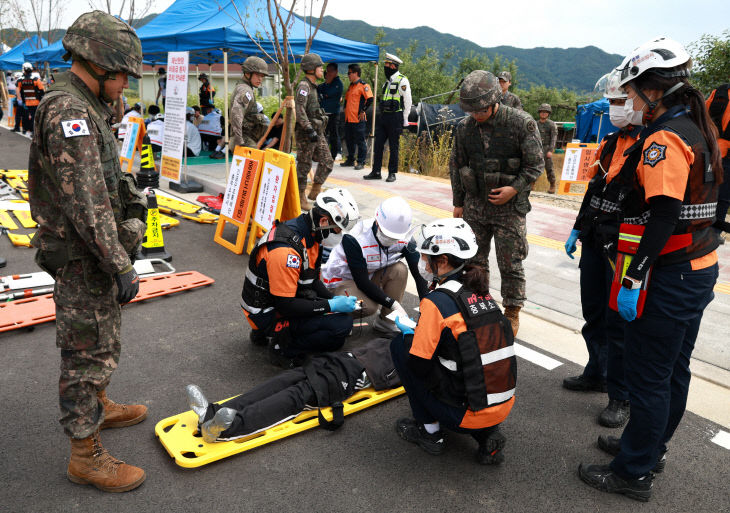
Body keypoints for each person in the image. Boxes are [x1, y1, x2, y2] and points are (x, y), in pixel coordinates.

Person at [578, 37, 722, 502]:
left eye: (632, 93)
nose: (629, 102)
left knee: (650, 376)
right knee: (673, 371)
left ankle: (633, 472)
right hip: (698, 268)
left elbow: (662, 214)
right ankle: (648, 447)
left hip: (671, 274)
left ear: (652, 90)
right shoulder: (697, 129)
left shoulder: (664, 139)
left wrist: (636, 273)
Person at [28, 10, 150, 493]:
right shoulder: (69, 114)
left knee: (100, 340)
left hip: (90, 253)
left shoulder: (85, 105)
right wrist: (120, 262)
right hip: (83, 255)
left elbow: (103, 179)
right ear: (100, 64)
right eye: (123, 74)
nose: (125, 84)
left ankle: (100, 401)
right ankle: (84, 453)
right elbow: (87, 202)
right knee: (84, 351)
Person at [390, 218, 516, 463]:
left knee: (400, 347)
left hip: (462, 413)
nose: (422, 262)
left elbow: (418, 365)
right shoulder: (482, 292)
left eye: (426, 257)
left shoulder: (437, 302)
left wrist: (412, 336)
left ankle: (430, 434)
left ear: (443, 261)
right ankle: (487, 435)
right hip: (502, 405)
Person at [563, 69, 642, 429]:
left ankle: (620, 395)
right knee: (593, 313)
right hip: (596, 239)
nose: (613, 109)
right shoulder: (611, 142)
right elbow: (595, 190)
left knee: (619, 324)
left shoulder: (653, 142)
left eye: (617, 102)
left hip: (625, 246)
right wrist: (577, 228)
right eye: (609, 103)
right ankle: (597, 371)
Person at [450, 70, 544, 336]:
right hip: (475, 206)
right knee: (473, 262)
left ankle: (511, 313)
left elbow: (535, 165)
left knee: (510, 263)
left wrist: (513, 189)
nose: (475, 115)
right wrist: (458, 202)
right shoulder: (465, 128)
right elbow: (456, 165)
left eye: (480, 109)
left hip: (509, 210)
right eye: (471, 110)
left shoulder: (521, 123)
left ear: (493, 101)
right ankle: (480, 306)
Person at [184, 337, 401, 441]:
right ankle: (211, 413)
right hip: (339, 362)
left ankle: (226, 429)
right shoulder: (401, 336)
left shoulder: (415, 361)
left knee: (299, 394)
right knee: (284, 380)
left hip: (351, 376)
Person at [241, 188, 361, 368]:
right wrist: (331, 306)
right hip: (267, 312)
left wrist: (332, 299)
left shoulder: (309, 235)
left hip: (272, 301)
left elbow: (310, 280)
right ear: (323, 220)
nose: (339, 235)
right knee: (341, 326)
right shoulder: (286, 251)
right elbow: (287, 305)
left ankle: (268, 332)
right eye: (337, 230)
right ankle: (282, 347)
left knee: (337, 315)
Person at [322, 196, 429, 335]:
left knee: (399, 270)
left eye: (395, 237)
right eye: (387, 234)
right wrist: (393, 304)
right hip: (341, 281)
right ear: (377, 222)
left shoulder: (405, 237)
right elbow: (362, 282)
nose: (391, 240)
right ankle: (338, 315)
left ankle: (386, 322)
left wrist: (426, 307)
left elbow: (418, 274)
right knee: (368, 306)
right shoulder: (356, 237)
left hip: (369, 274)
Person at [294, 53, 334, 210]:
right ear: (311, 69)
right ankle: (300, 197)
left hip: (317, 131)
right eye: (320, 67)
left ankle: (315, 191)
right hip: (306, 133)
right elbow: (299, 109)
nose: (322, 69)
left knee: (327, 161)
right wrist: (308, 128)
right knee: (304, 166)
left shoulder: (313, 87)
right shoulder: (303, 87)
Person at [364, 53, 412, 183]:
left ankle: (392, 173)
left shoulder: (402, 80)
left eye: (387, 65)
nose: (385, 67)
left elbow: (408, 101)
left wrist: (405, 119)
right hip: (383, 116)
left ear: (393, 66)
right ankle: (376, 171)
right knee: (378, 144)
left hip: (395, 117)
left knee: (393, 146)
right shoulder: (386, 82)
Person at [227, 56, 270, 157]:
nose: (260, 79)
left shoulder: (244, 87)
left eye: (262, 76)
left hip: (245, 139)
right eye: (257, 75)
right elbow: (236, 113)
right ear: (247, 73)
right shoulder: (246, 90)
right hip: (245, 140)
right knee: (251, 171)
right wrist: (240, 140)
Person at [705, 80, 730, 241]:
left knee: (714, 194)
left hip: (713, 150)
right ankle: (711, 233)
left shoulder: (719, 92)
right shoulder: (720, 92)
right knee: (720, 196)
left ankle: (709, 232)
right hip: (720, 153)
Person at [341, 64, 373, 170]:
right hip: (348, 118)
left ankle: (361, 162)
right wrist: (345, 108)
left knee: (360, 140)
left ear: (355, 73)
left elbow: (370, 99)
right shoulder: (351, 86)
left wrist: (363, 110)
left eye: (349, 73)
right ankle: (350, 159)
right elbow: (346, 100)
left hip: (358, 119)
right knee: (349, 140)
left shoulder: (364, 85)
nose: (348, 75)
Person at [317, 62, 343, 160]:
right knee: (322, 134)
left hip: (333, 113)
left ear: (335, 71)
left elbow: (327, 94)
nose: (328, 73)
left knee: (334, 135)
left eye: (330, 71)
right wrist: (323, 95)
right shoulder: (324, 84)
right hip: (323, 113)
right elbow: (319, 92)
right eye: (327, 71)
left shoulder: (338, 83)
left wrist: (324, 95)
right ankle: (322, 154)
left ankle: (333, 155)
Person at [18, 62, 45, 134]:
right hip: (36, 102)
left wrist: (23, 101)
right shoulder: (36, 80)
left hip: (27, 103)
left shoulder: (21, 80)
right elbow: (42, 91)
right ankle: (36, 132)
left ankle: (30, 130)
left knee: (28, 117)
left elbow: (21, 92)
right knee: (36, 117)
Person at [536, 103, 558, 193]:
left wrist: (550, 150)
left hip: (546, 148)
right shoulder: (535, 123)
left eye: (545, 112)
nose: (543, 114)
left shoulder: (551, 124)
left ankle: (552, 185)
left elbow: (554, 138)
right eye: (542, 112)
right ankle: (532, 184)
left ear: (548, 113)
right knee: (533, 166)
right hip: (536, 148)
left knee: (549, 168)